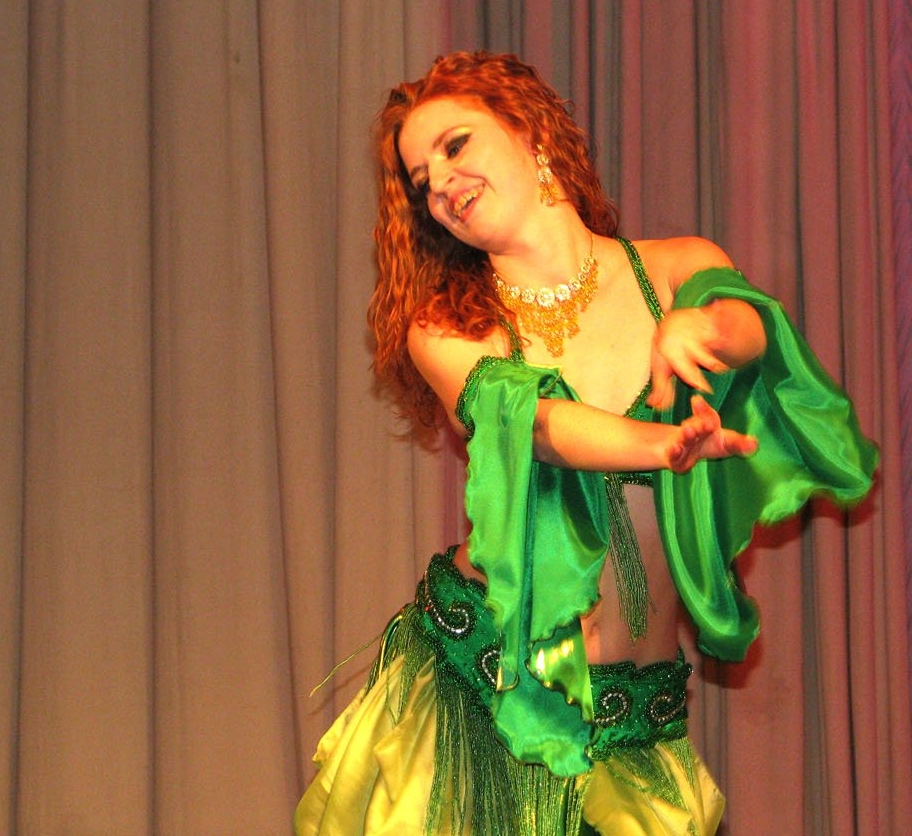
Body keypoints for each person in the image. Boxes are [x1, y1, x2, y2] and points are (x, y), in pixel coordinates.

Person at [294, 51, 878, 835]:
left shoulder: (675, 268)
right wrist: (662, 446)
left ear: (531, 132)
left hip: (635, 713)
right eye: (422, 180)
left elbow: (747, 325)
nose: (441, 184)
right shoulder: (446, 325)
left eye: (455, 146)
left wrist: (700, 328)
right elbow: (538, 426)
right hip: (492, 693)